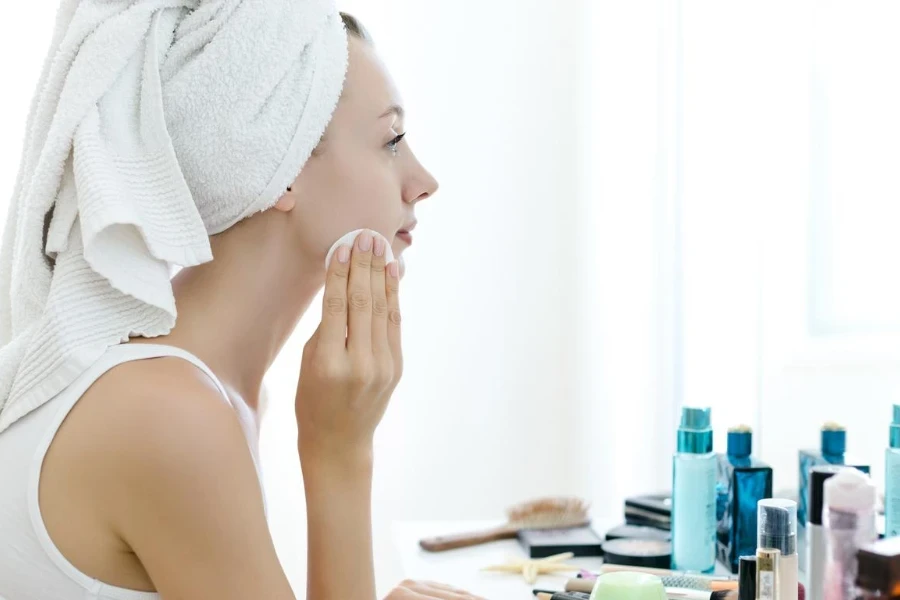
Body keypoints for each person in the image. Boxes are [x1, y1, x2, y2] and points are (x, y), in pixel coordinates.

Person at [0, 4, 485, 600]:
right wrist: (339, 454)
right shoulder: (168, 413)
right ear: (279, 166)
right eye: (391, 140)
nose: (424, 179)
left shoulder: (203, 389)